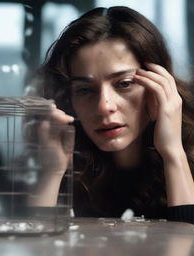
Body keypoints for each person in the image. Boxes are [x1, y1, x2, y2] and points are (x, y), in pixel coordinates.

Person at [31, 6, 194, 224]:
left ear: (160, 87)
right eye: (85, 90)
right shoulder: (64, 155)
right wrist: (53, 169)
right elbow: (31, 244)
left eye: (124, 84)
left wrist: (173, 153)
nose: (104, 106)